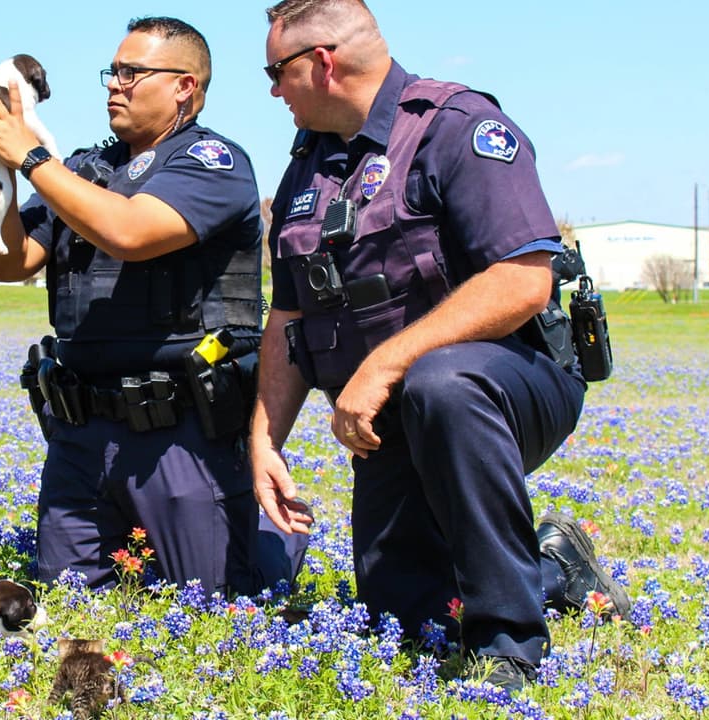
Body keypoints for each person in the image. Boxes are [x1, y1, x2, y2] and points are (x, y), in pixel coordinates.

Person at [250, 0, 630, 691]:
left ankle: (507, 645)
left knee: (443, 381)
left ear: (323, 63)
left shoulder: (457, 129)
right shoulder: (307, 163)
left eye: (276, 72)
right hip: (393, 414)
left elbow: (524, 282)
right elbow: (289, 314)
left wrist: (385, 363)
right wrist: (264, 441)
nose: (272, 91)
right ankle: (555, 568)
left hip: (511, 383)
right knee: (405, 612)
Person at [0, 16, 307, 596]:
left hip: (183, 432)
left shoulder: (214, 163)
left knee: (215, 612)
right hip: (81, 430)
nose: (114, 85)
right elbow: (10, 264)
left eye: (131, 72)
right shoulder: (82, 170)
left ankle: (274, 546)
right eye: (112, 72)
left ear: (184, 86)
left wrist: (31, 157)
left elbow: (129, 231)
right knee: (72, 612)